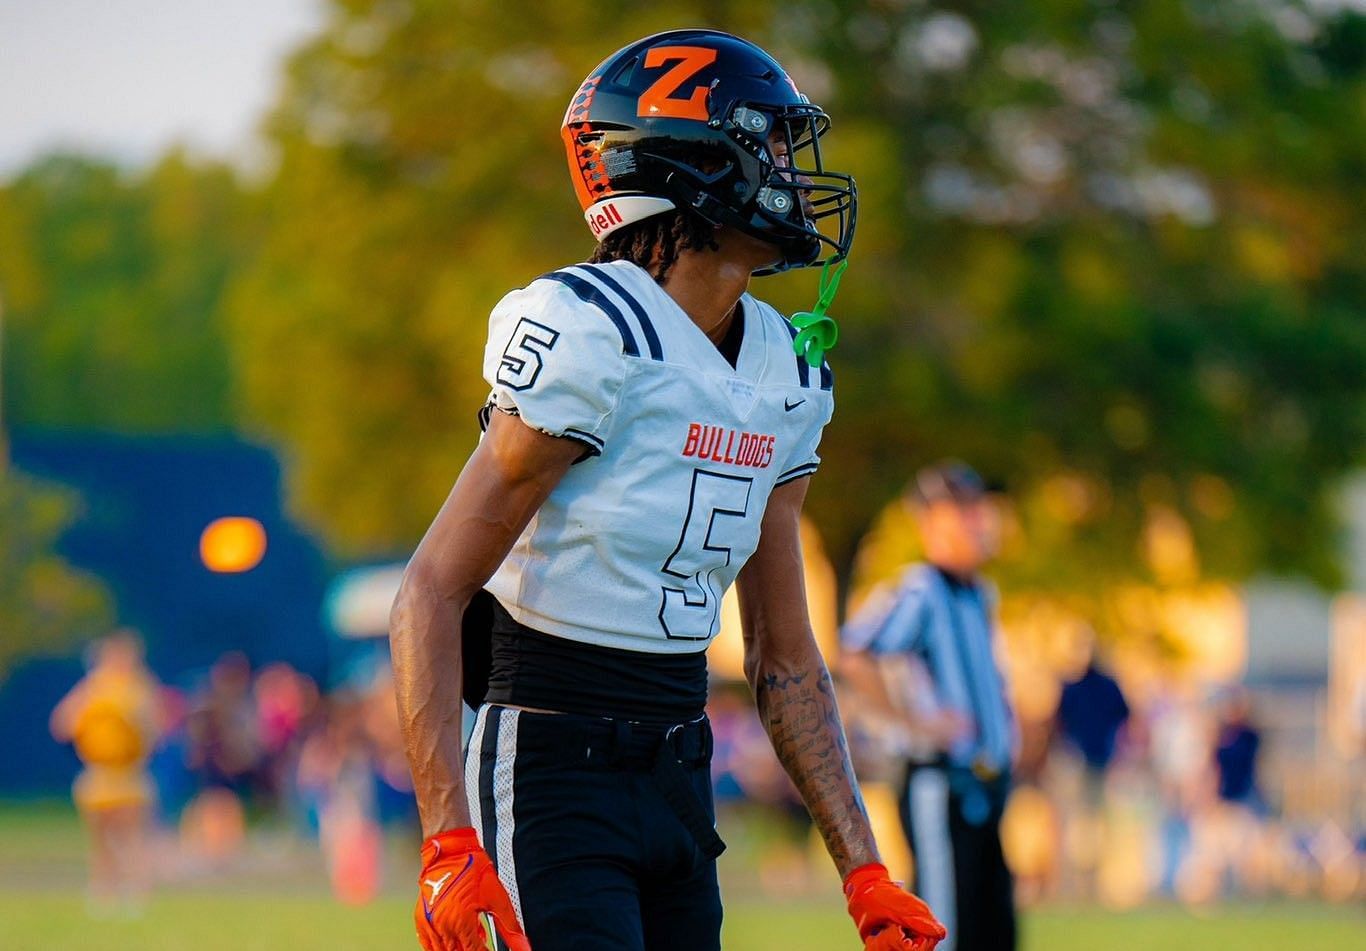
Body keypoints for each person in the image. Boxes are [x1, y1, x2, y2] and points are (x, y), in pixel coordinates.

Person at [390, 29, 945, 951]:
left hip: (682, 769)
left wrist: (865, 869)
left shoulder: (783, 368)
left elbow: (783, 655)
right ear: (690, 160)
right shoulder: (590, 333)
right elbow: (430, 591)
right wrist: (448, 839)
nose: (791, 171)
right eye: (768, 143)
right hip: (550, 764)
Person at [841, 462, 1017, 951]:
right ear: (931, 524)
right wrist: (911, 723)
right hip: (939, 781)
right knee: (943, 926)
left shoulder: (980, 593)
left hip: (982, 786)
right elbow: (857, 653)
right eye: (962, 512)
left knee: (993, 925)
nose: (978, 522)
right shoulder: (921, 589)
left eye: (978, 510)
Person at [50, 629, 163, 912]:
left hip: (129, 773)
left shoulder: (138, 688)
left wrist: (133, 716)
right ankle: (105, 890)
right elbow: (62, 725)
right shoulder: (92, 689)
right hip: (99, 774)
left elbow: (155, 727)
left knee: (132, 837)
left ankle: (137, 891)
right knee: (101, 840)